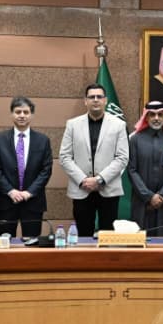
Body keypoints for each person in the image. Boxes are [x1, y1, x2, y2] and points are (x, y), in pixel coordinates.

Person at [59, 83, 130, 237]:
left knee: (107, 236)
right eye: (91, 97)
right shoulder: (72, 124)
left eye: (99, 97)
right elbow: (64, 157)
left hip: (108, 188)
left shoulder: (119, 125)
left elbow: (122, 157)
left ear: (105, 100)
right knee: (83, 235)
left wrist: (99, 179)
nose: (95, 100)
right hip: (81, 189)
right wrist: (83, 179)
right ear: (85, 101)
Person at [0, 96, 53, 238]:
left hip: (33, 201)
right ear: (11, 114)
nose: (22, 115)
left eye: (26, 112)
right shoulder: (0, 139)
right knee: (5, 244)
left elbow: (46, 170)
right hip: (6, 201)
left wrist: (29, 192)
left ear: (32, 115)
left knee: (31, 245)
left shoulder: (42, 140)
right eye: (18, 112)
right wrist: (11, 191)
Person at [128, 100, 163, 235]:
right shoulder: (135, 139)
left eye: (160, 115)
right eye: (152, 115)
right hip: (142, 201)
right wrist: (149, 196)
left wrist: (161, 195)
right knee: (140, 241)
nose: (156, 118)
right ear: (146, 117)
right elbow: (131, 170)